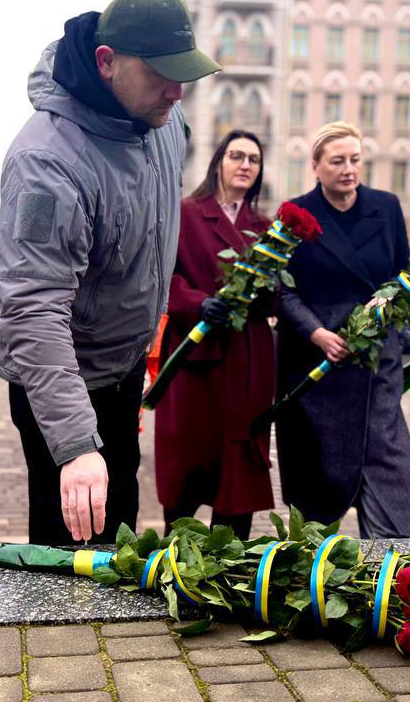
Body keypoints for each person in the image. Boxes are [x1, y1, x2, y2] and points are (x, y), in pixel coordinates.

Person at [0, 0, 219, 544]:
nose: (176, 92)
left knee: (119, 525)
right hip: (61, 381)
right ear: (106, 62)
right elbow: (31, 307)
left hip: (121, 370)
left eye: (183, 75)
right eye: (160, 75)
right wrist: (72, 446)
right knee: (69, 544)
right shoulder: (47, 162)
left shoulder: (162, 121)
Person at [276, 122, 410, 539]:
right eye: (337, 161)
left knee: (392, 481)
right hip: (317, 371)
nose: (348, 169)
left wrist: (393, 298)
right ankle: (319, 576)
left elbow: (403, 275)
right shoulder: (295, 214)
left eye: (355, 159)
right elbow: (281, 291)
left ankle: (393, 573)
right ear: (316, 166)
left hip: (377, 368)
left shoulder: (387, 207)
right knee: (319, 489)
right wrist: (316, 332)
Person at [154, 130, 274, 540]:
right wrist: (196, 302)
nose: (245, 165)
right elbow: (160, 275)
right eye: (236, 155)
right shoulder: (185, 213)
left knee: (237, 470)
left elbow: (280, 294)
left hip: (247, 360)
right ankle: (178, 560)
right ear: (218, 161)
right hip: (195, 357)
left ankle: (230, 566)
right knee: (187, 461)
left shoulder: (267, 228)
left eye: (253, 160)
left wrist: (266, 294)